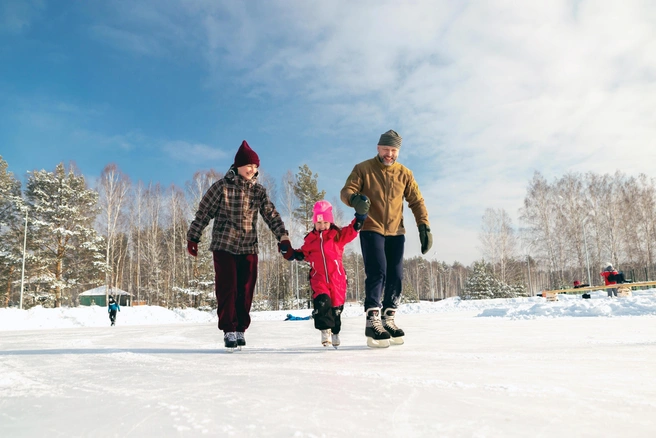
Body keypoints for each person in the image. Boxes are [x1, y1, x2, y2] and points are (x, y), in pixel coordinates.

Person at [186, 140, 291, 350]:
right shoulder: (221, 187)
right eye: (248, 166)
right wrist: (194, 237)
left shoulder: (258, 191)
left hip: (248, 246)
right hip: (224, 245)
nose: (252, 170)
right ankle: (229, 329)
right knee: (228, 288)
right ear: (238, 166)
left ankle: (241, 328)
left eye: (255, 167)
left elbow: (271, 214)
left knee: (246, 289)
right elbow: (204, 212)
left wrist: (283, 236)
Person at [340, 129, 431, 348]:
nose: (389, 154)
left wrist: (423, 225)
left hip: (396, 231)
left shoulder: (404, 174)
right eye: (386, 149)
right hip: (371, 227)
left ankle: (388, 318)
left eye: (393, 150)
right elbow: (347, 190)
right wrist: (354, 199)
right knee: (377, 271)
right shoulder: (363, 169)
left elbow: (416, 201)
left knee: (396, 275)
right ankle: (372, 319)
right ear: (378, 148)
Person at [279, 200, 365, 348]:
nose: (322, 226)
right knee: (322, 302)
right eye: (318, 223)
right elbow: (302, 254)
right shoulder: (310, 240)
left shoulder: (337, 235)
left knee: (336, 310)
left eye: (325, 222)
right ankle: (325, 330)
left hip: (337, 279)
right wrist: (290, 253)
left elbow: (352, 230)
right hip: (319, 279)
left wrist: (360, 217)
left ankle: (335, 332)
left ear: (330, 221)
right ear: (314, 223)